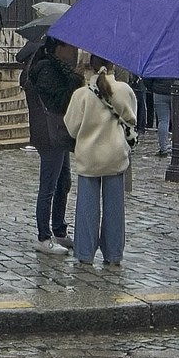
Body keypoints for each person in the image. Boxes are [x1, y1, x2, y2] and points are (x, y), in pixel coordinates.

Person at [61, 54, 139, 271]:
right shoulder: (124, 91)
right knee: (115, 207)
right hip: (115, 154)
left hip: (89, 155)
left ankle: (85, 253)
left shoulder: (81, 95)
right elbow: (132, 120)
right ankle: (114, 253)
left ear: (90, 67)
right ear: (112, 65)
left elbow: (71, 127)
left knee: (87, 206)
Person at [23, 36, 79, 248]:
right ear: (59, 47)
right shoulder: (46, 69)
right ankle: (43, 236)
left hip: (58, 132)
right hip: (48, 133)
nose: (74, 50)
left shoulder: (58, 68)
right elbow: (58, 101)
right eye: (71, 46)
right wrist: (75, 80)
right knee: (49, 184)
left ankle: (59, 229)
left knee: (63, 182)